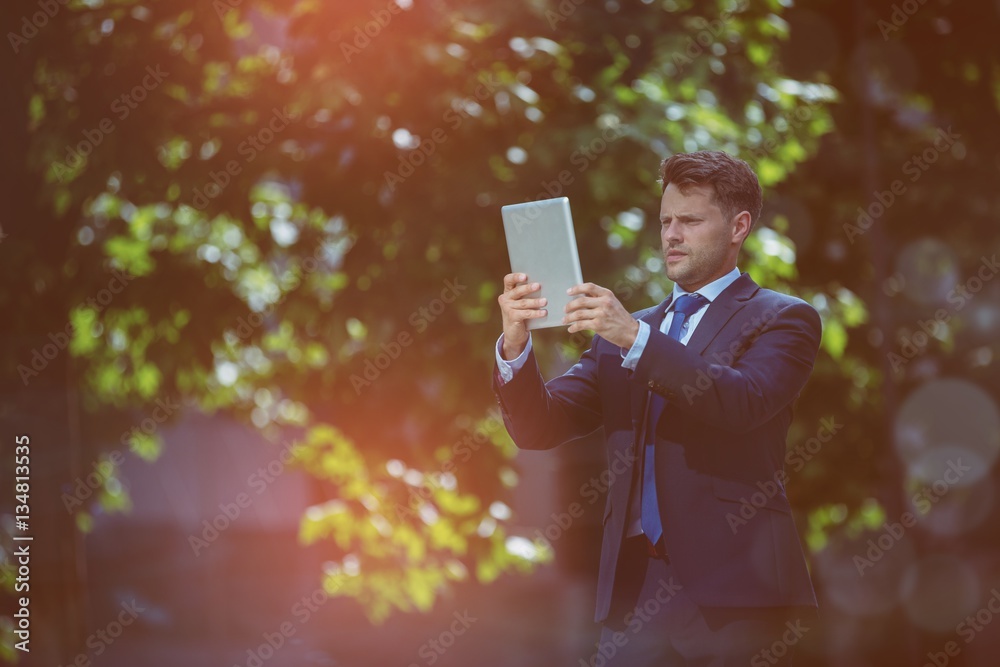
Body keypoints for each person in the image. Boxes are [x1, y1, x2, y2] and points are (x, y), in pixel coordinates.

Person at [492, 150, 821, 666]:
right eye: (666, 220)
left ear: (738, 227)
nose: (671, 234)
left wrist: (636, 338)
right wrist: (515, 346)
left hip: (735, 595)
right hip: (632, 595)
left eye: (690, 221)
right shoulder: (624, 333)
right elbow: (540, 427)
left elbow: (741, 401)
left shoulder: (782, 318)